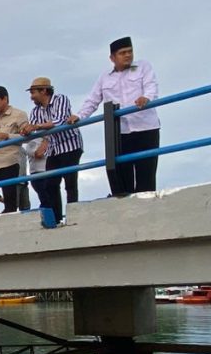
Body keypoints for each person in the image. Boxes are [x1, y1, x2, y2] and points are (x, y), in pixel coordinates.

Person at [77, 36, 160, 196]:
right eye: (123, 53)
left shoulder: (143, 66)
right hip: (120, 132)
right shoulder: (105, 77)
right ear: (112, 58)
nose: (128, 55)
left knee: (146, 176)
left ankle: (147, 210)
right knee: (122, 177)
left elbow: (151, 87)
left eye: (130, 51)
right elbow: (93, 100)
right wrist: (79, 116)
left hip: (146, 128)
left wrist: (147, 98)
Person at [23, 77, 84, 225]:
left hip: (70, 145)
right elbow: (37, 130)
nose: (31, 97)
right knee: (50, 183)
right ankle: (56, 218)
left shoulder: (60, 99)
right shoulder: (36, 111)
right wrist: (27, 131)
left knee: (70, 182)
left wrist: (36, 127)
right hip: (54, 147)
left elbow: (60, 120)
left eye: (33, 92)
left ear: (44, 91)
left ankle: (72, 218)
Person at [0, 87, 30, 214]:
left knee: (9, 196)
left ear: (5, 99)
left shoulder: (19, 115)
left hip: (9, 160)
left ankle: (10, 223)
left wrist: (8, 136)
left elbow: (27, 138)